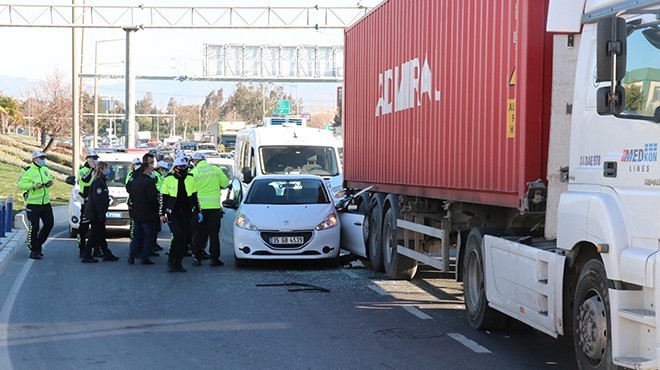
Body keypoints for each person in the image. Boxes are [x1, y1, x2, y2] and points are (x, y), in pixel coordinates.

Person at [161, 156, 202, 273]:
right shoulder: (168, 179)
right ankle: (171, 260)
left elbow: (194, 196)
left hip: (187, 212)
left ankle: (178, 263)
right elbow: (163, 197)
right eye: (180, 167)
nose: (183, 168)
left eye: (184, 166)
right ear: (175, 168)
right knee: (177, 236)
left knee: (184, 238)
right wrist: (162, 213)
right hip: (173, 212)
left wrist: (198, 210)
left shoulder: (190, 178)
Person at [190, 151, 229, 267]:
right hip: (214, 208)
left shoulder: (193, 173)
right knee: (214, 234)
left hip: (200, 208)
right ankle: (214, 258)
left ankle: (197, 258)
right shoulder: (216, 170)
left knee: (197, 233)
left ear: (195, 161)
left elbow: (190, 191)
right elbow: (225, 184)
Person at [17, 150, 55, 260]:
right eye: (41, 158)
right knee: (35, 227)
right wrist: (34, 185)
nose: (43, 160)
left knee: (49, 224)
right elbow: (20, 184)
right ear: (35, 159)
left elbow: (50, 179)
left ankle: (38, 244)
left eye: (44, 158)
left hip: (45, 202)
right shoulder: (27, 171)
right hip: (33, 204)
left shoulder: (45, 169)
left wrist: (49, 183)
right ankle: (34, 250)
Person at [81, 161, 120, 263]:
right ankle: (87, 254)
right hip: (96, 214)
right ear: (102, 170)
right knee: (94, 234)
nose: (108, 171)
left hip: (98, 213)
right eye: (107, 168)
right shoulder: (98, 183)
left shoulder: (102, 181)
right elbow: (98, 201)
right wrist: (101, 214)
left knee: (101, 234)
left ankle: (107, 254)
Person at [127, 153, 160, 266]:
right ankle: (145, 257)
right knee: (148, 237)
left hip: (137, 212)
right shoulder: (147, 181)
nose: (152, 167)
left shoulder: (137, 181)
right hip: (147, 213)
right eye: (150, 164)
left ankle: (131, 256)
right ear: (145, 168)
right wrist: (157, 209)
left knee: (137, 236)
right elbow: (152, 198)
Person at [76, 150, 99, 258]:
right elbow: (85, 180)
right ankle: (82, 248)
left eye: (96, 158)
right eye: (93, 158)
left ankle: (96, 249)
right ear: (88, 159)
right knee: (83, 227)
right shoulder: (82, 170)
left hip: (95, 201)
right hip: (86, 202)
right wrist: (91, 168)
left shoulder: (96, 170)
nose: (95, 161)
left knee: (96, 226)